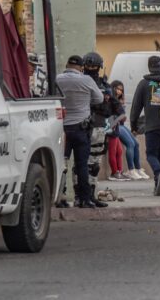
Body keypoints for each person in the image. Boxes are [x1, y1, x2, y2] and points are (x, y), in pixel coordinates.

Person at [56, 55, 105, 208]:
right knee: (82, 165)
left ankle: (60, 197)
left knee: (61, 164)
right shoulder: (87, 80)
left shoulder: (57, 79)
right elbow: (99, 99)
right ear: (81, 67)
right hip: (81, 129)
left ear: (66, 64)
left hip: (61, 129)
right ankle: (84, 199)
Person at [130, 56, 160, 196]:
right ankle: (158, 186)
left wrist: (134, 124)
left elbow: (136, 107)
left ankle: (159, 173)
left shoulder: (144, 84)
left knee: (151, 154)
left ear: (149, 67)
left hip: (153, 125)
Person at [81, 52, 113, 205]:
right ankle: (86, 197)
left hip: (89, 126)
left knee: (88, 164)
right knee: (88, 164)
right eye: (90, 65)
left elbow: (110, 108)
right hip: (93, 126)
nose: (92, 68)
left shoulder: (81, 82)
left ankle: (85, 196)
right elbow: (107, 108)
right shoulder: (101, 85)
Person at [111, 80, 150, 180]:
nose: (119, 91)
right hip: (115, 125)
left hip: (121, 125)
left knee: (136, 143)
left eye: (121, 90)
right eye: (118, 89)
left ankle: (137, 168)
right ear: (113, 88)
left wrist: (122, 104)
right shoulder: (111, 100)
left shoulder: (119, 100)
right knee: (130, 144)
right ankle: (131, 169)